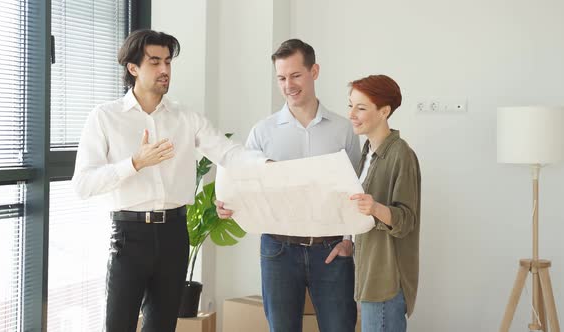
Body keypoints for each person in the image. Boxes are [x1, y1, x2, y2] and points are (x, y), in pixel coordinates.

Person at [72, 29, 267, 332]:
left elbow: (227, 152)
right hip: (128, 236)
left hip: (175, 234)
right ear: (133, 68)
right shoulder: (104, 117)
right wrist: (135, 163)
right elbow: (83, 184)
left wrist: (269, 166)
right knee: (117, 326)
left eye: (168, 62)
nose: (165, 70)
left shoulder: (185, 118)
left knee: (162, 326)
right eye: (154, 62)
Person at [216, 39, 360, 332]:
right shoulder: (262, 131)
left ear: (314, 71)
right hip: (278, 250)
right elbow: (244, 183)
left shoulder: (343, 129)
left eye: (295, 75)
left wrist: (349, 241)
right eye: (281, 78)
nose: (288, 85)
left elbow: (355, 190)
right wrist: (228, 204)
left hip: (331, 248)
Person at [348, 75, 421, 332]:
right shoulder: (367, 153)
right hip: (368, 271)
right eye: (350, 106)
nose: (352, 114)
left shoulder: (401, 154)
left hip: (385, 278)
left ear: (384, 111)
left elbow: (406, 221)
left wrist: (376, 208)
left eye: (361, 107)